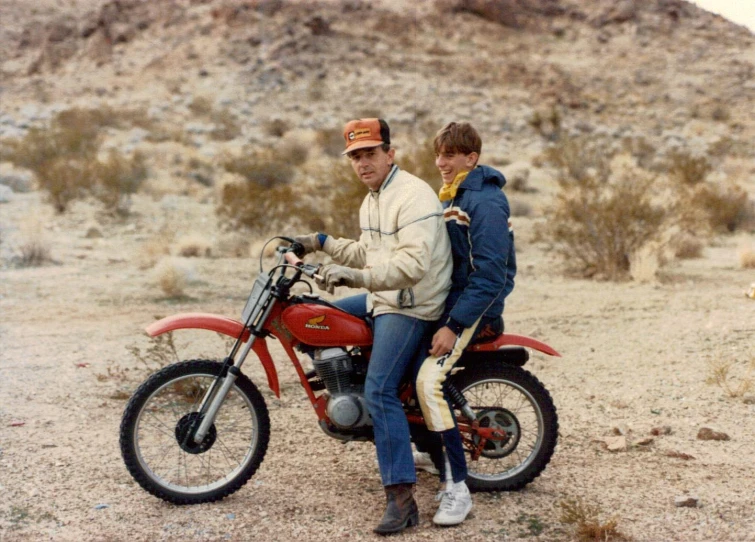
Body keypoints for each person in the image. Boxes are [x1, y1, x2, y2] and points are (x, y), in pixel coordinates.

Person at [293, 118, 452, 535]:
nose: (363, 163)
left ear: (389, 154)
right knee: (312, 322)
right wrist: (320, 241)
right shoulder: (374, 198)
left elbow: (411, 267)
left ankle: (402, 499)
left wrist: (352, 277)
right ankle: (353, 397)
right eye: (355, 156)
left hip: (412, 302)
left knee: (381, 389)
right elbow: (370, 251)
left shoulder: (413, 196)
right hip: (386, 295)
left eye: (370, 154)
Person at [415, 121, 517, 526]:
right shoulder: (452, 195)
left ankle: (458, 487)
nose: (442, 162)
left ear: (471, 158)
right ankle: (429, 446)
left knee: (428, 382)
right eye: (439, 155)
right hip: (449, 302)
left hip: (473, 310)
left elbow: (491, 276)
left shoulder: (486, 202)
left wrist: (454, 324)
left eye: (451, 155)